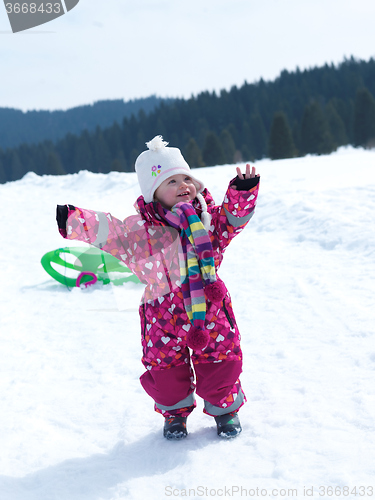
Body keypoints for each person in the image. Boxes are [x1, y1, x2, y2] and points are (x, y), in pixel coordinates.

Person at [56, 135, 260, 440]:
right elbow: (111, 233)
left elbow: (233, 218)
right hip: (162, 315)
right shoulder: (142, 234)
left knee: (220, 358)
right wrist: (75, 220)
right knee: (165, 369)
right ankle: (174, 414)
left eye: (185, 178)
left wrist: (242, 193)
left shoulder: (208, 220)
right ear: (154, 195)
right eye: (171, 182)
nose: (183, 186)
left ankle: (225, 410)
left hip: (211, 308)